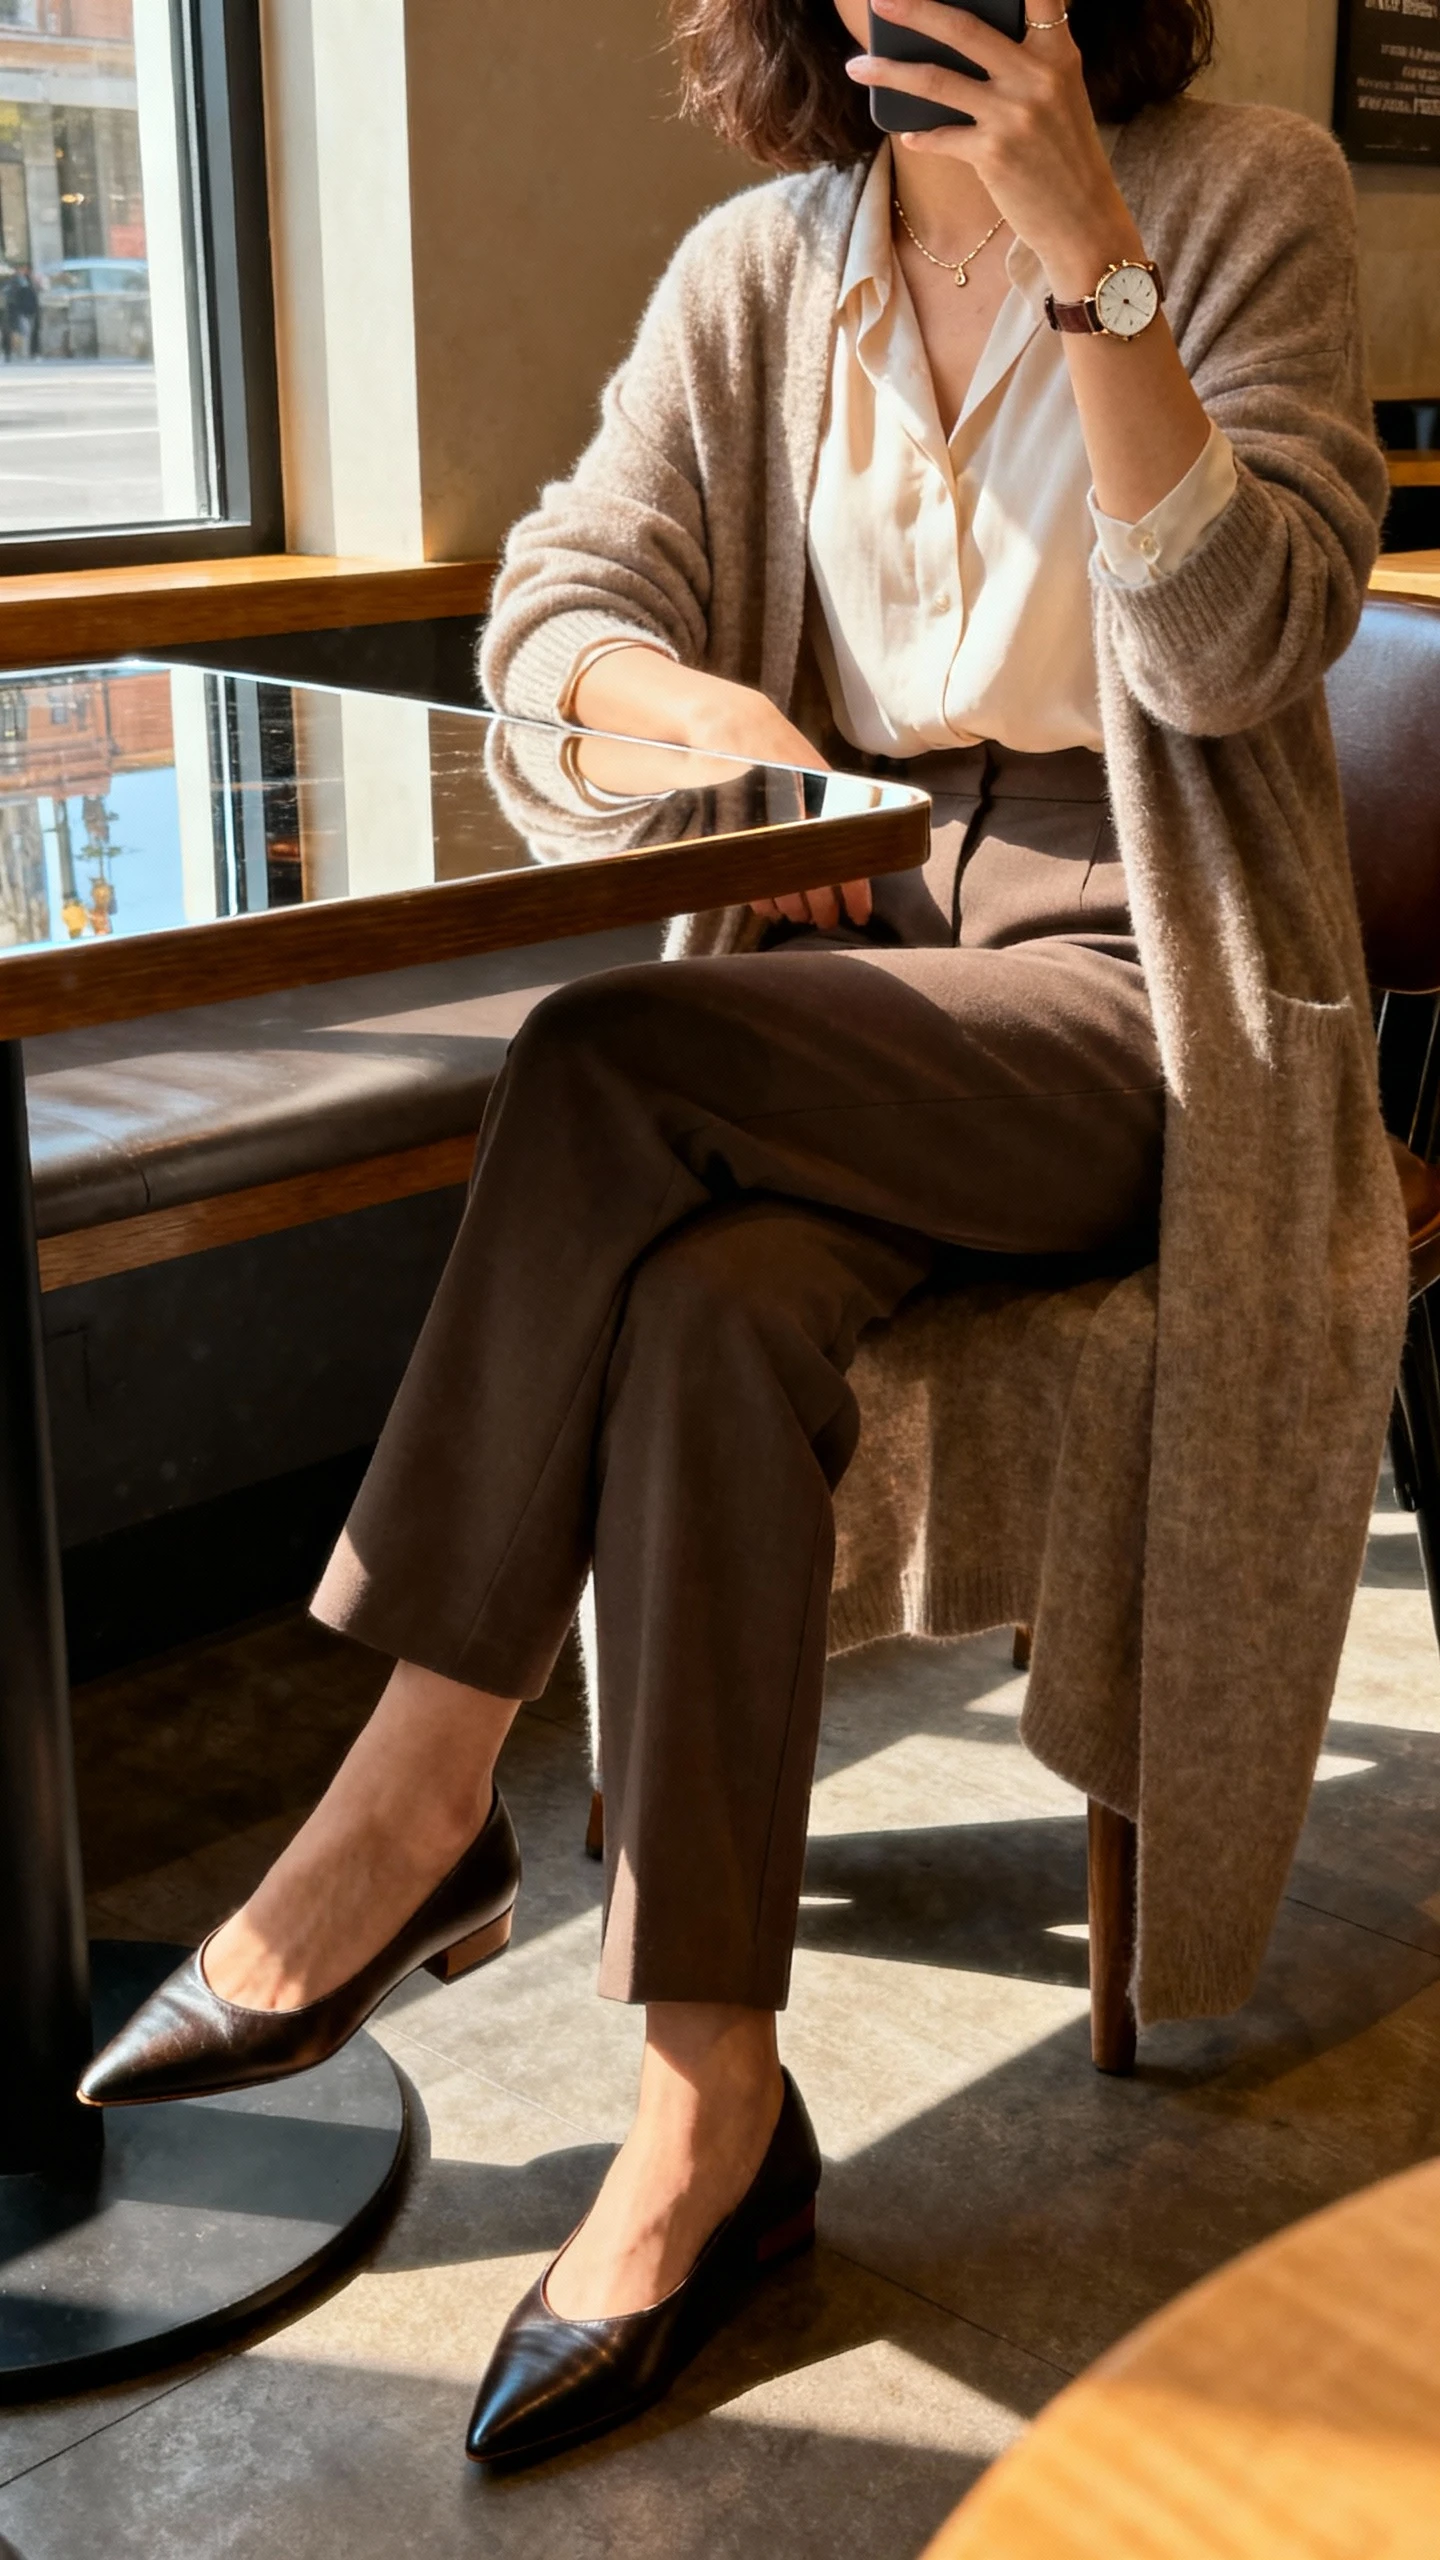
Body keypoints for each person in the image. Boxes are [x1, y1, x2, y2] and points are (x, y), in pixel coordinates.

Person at [81, 0, 1408, 2472]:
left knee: (602, 1060)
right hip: (848, 972)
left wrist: (1092, 260)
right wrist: (688, 714)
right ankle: (714, 2117)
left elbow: (1238, 649)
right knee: (703, 1311)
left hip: (1145, 985)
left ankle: (411, 1793)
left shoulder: (1245, 195)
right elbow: (552, 608)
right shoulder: (766, 265)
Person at [2, 265, 38, 362]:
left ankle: (16, 353)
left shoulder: (20, 281)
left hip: (19, 309)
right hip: (18, 309)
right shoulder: (18, 281)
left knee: (19, 331)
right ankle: (18, 352)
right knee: (20, 331)